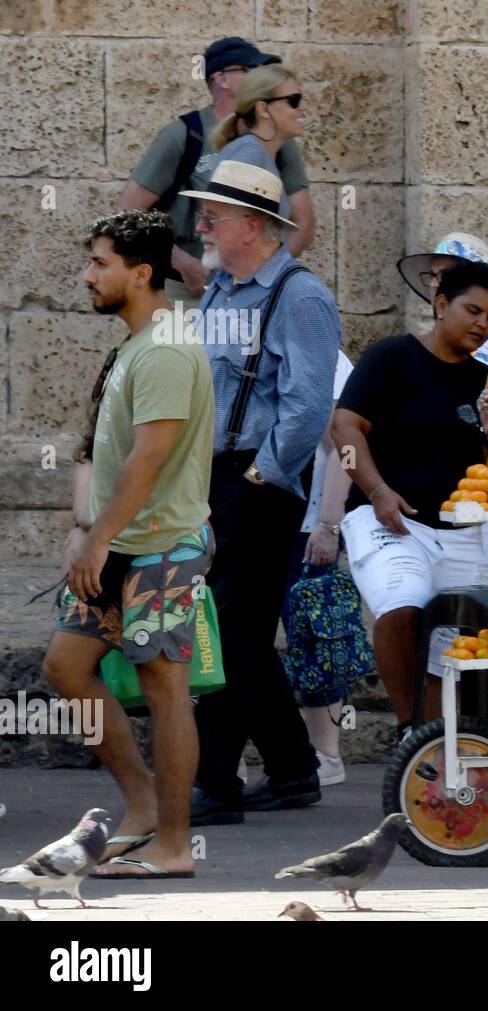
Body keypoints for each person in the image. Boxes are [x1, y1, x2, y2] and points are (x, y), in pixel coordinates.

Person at [42, 210, 214, 879]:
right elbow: (107, 452)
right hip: (121, 544)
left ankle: (174, 844)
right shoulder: (138, 342)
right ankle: (142, 806)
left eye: (100, 263)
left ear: (141, 274)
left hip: (161, 546)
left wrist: (98, 539)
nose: (88, 275)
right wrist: (90, 532)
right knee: (65, 666)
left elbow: (149, 458)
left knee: (165, 688)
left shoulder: (166, 348)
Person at [179, 160, 340, 825]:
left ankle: (216, 784)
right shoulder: (220, 289)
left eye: (212, 216)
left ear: (252, 225)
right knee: (238, 632)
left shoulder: (300, 296)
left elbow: (308, 406)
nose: (201, 226)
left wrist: (256, 478)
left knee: (224, 632)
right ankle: (294, 768)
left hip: (260, 481)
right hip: (214, 475)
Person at [332, 262, 488, 740]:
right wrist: (377, 491)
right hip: (388, 520)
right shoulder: (392, 357)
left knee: (460, 644)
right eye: (473, 311)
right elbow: (344, 429)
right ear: (441, 304)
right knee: (402, 605)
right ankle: (412, 732)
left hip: (459, 530)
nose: (482, 324)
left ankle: (441, 747)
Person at [121, 37, 313, 304]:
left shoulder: (278, 141)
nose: (262, 75)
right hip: (185, 290)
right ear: (221, 78)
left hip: (242, 293)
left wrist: (265, 279)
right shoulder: (184, 135)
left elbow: (303, 222)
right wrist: (182, 262)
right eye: (252, 69)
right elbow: (128, 213)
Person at [283, 346, 354, 786]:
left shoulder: (326, 358)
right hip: (256, 520)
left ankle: (326, 752)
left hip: (307, 526)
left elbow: (343, 447)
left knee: (315, 637)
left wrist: (329, 524)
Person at [209, 64, 308, 235]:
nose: (303, 107)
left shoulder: (259, 152)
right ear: (263, 109)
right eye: (294, 100)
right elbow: (229, 232)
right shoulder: (249, 155)